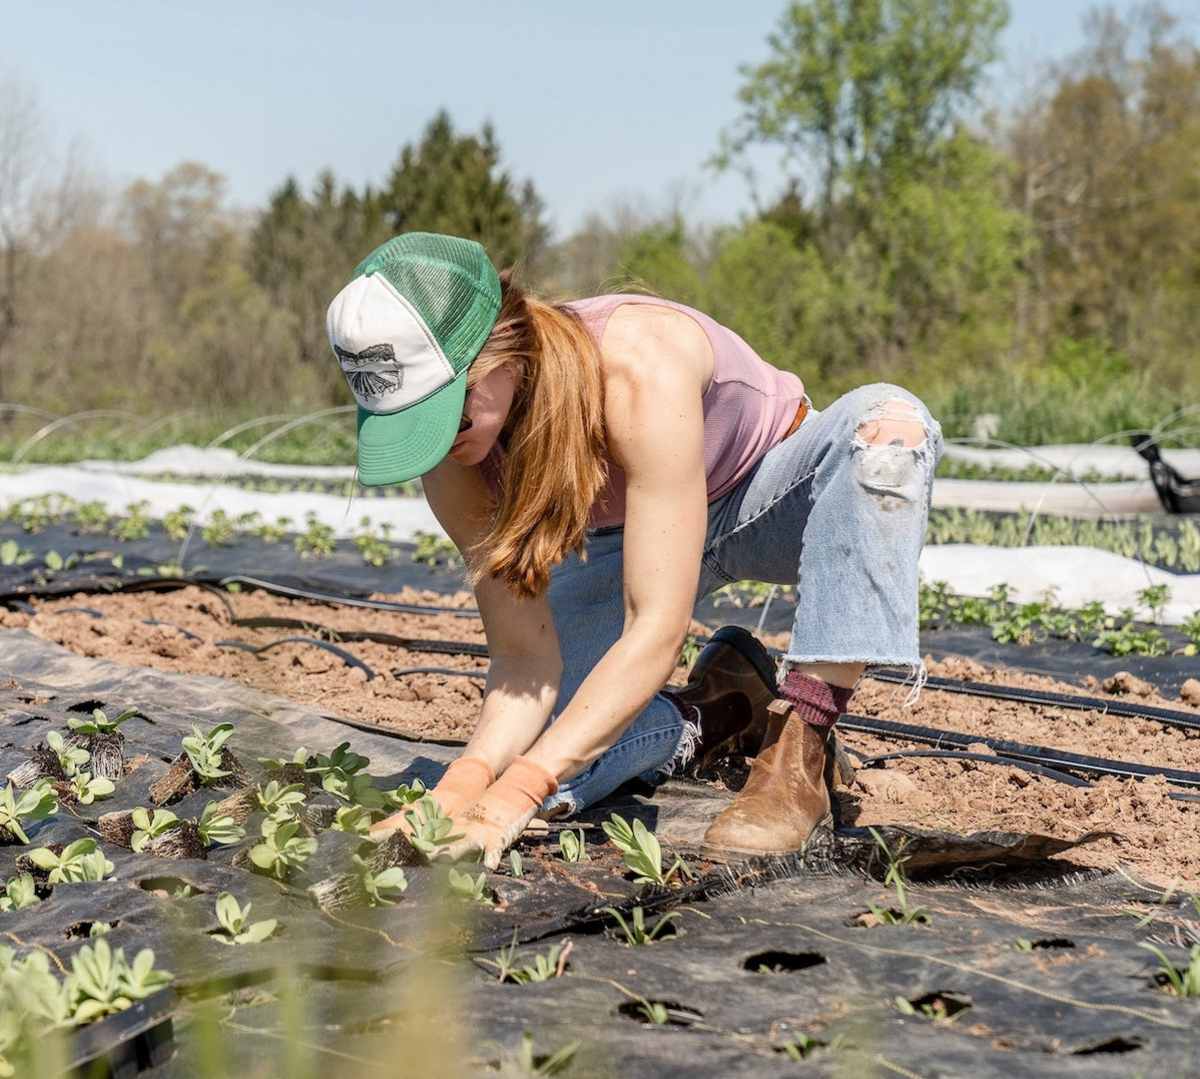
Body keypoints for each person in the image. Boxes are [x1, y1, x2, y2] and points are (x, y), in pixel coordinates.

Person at [326, 231, 942, 868]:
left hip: (769, 497)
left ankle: (801, 746)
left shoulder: (633, 364)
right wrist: (461, 788)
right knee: (553, 747)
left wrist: (517, 793)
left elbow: (656, 628)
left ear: (499, 351)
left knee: (889, 429)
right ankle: (716, 711)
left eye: (445, 413)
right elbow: (524, 659)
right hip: (631, 538)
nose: (439, 443)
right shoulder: (454, 460)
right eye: (410, 425)